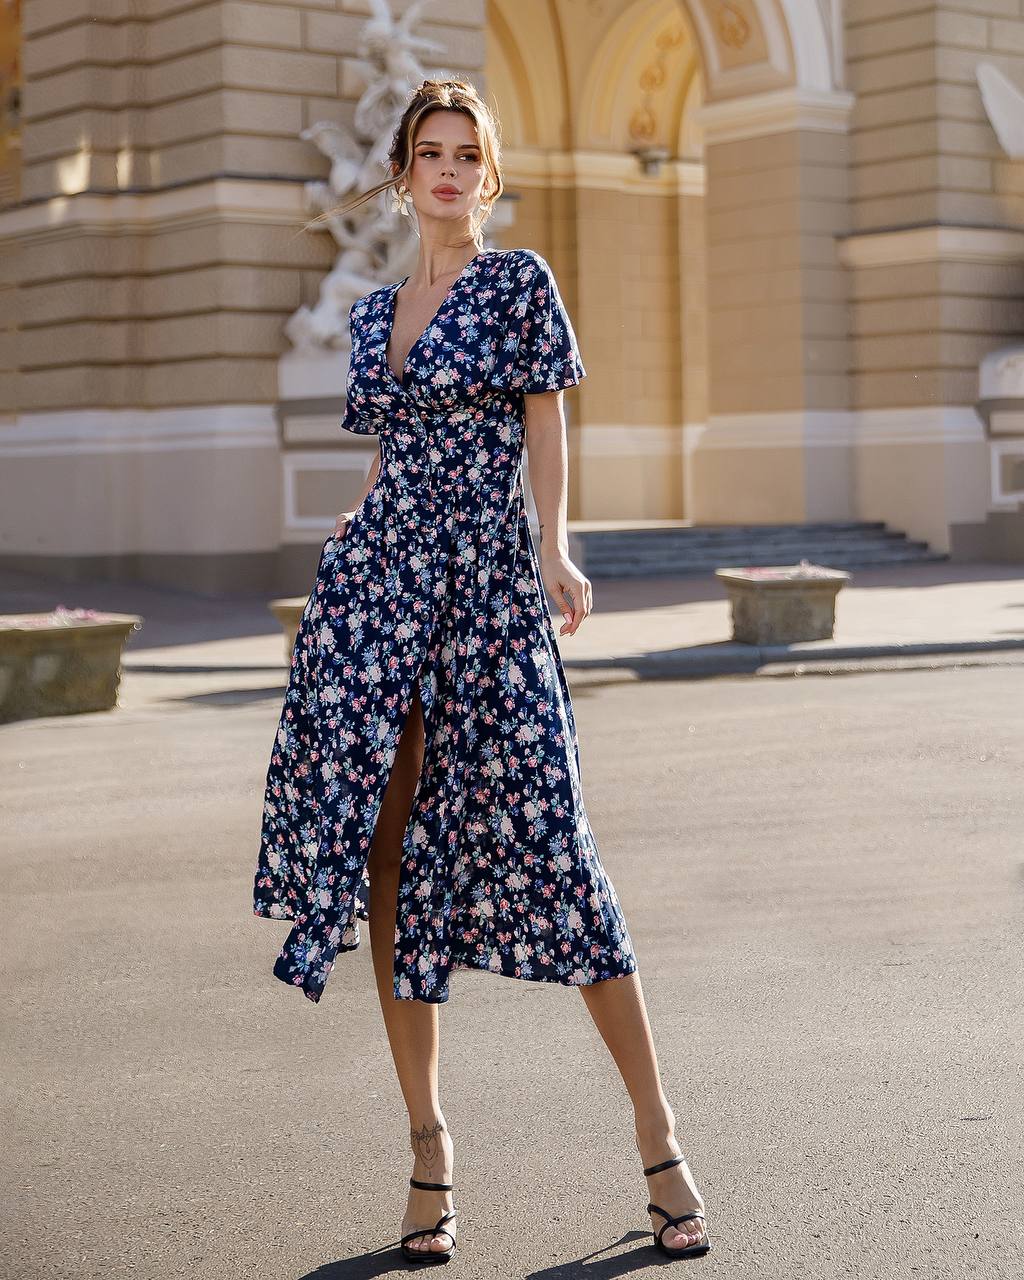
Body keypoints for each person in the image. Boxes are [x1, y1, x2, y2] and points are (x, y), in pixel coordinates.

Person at [253, 77, 711, 1265]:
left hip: (488, 589)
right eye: (430, 153)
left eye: (468, 155)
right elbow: (389, 460)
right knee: (386, 858)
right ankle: (428, 1148)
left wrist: (554, 544)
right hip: (378, 589)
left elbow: (545, 419)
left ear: (486, 175)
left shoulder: (518, 285)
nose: (449, 171)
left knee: (556, 844)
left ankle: (658, 1139)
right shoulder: (370, 313)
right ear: (402, 173)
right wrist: (342, 580)